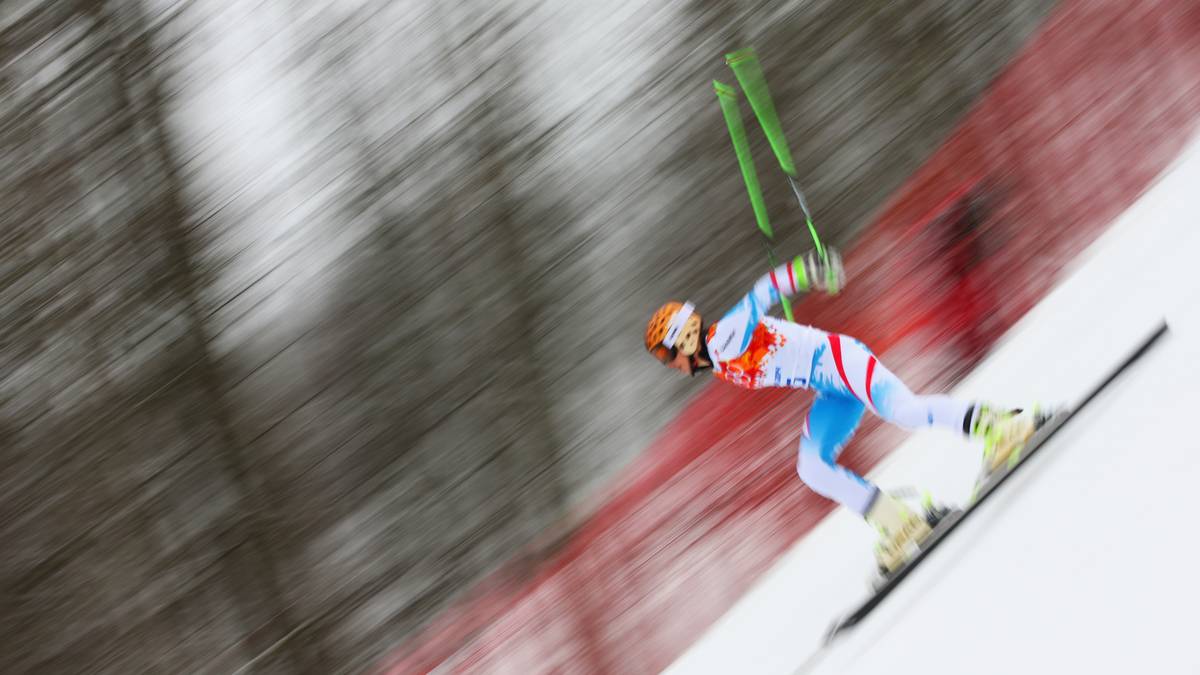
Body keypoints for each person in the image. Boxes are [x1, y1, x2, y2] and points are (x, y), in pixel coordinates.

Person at [644, 248, 1049, 574]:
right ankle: (898, 522)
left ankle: (1003, 427)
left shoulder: (724, 340)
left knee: (905, 412)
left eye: (666, 355)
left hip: (842, 363)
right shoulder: (718, 359)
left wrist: (811, 270)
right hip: (830, 389)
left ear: (685, 338)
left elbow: (764, 290)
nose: (670, 365)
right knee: (812, 466)